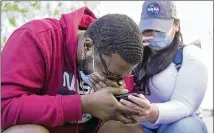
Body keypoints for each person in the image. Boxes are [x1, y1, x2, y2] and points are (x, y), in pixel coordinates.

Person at [1, 7, 145, 133]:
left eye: (122, 77)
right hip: (44, 129)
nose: (117, 81)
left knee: (130, 129)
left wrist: (126, 107)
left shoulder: (114, 61)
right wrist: (83, 104)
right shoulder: (37, 38)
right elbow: (4, 108)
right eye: (110, 75)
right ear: (87, 47)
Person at [119, 1, 209, 133]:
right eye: (148, 29)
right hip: (142, 125)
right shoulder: (138, 54)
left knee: (183, 128)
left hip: (179, 123)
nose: (154, 34)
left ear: (176, 25)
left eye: (160, 29)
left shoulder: (189, 55)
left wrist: (149, 111)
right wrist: (130, 52)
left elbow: (185, 105)